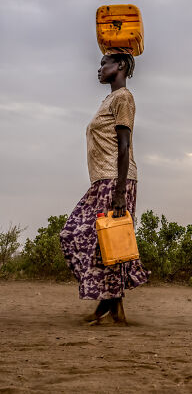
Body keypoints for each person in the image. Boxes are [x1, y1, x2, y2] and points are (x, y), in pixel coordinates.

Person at [59, 50, 149, 325]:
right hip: (103, 181)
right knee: (99, 243)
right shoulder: (110, 99)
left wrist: (120, 191)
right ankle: (114, 305)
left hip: (115, 180)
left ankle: (106, 305)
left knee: (100, 241)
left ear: (120, 65)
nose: (98, 69)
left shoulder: (123, 98)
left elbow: (124, 145)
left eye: (103, 63)